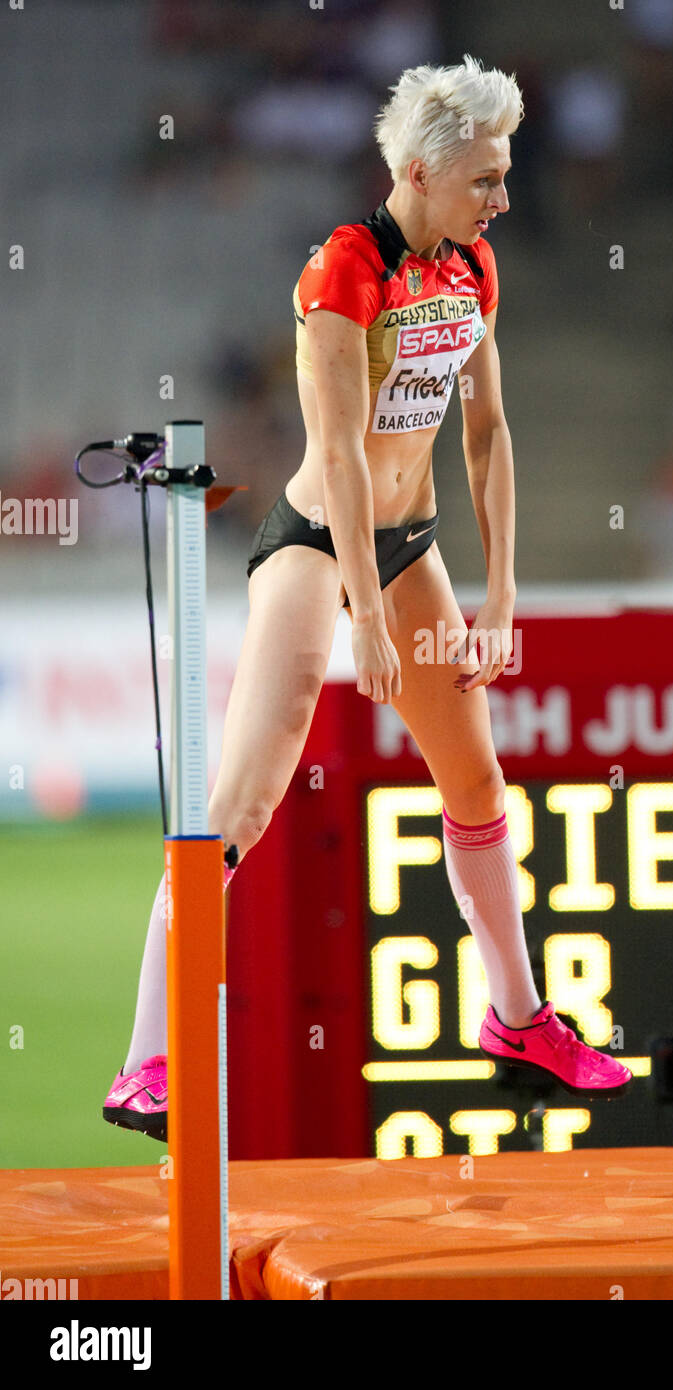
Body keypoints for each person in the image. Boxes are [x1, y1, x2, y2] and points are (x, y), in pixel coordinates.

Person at [103, 54, 631, 1144]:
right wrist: (366, 605)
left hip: (409, 545)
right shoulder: (344, 269)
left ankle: (517, 1017)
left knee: (477, 776)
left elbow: (485, 434)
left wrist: (500, 595)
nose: (500, 197)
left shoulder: (473, 270)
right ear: (417, 172)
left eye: (502, 174)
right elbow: (339, 455)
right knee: (237, 808)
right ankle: (144, 1059)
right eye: (484, 179)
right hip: (315, 544)